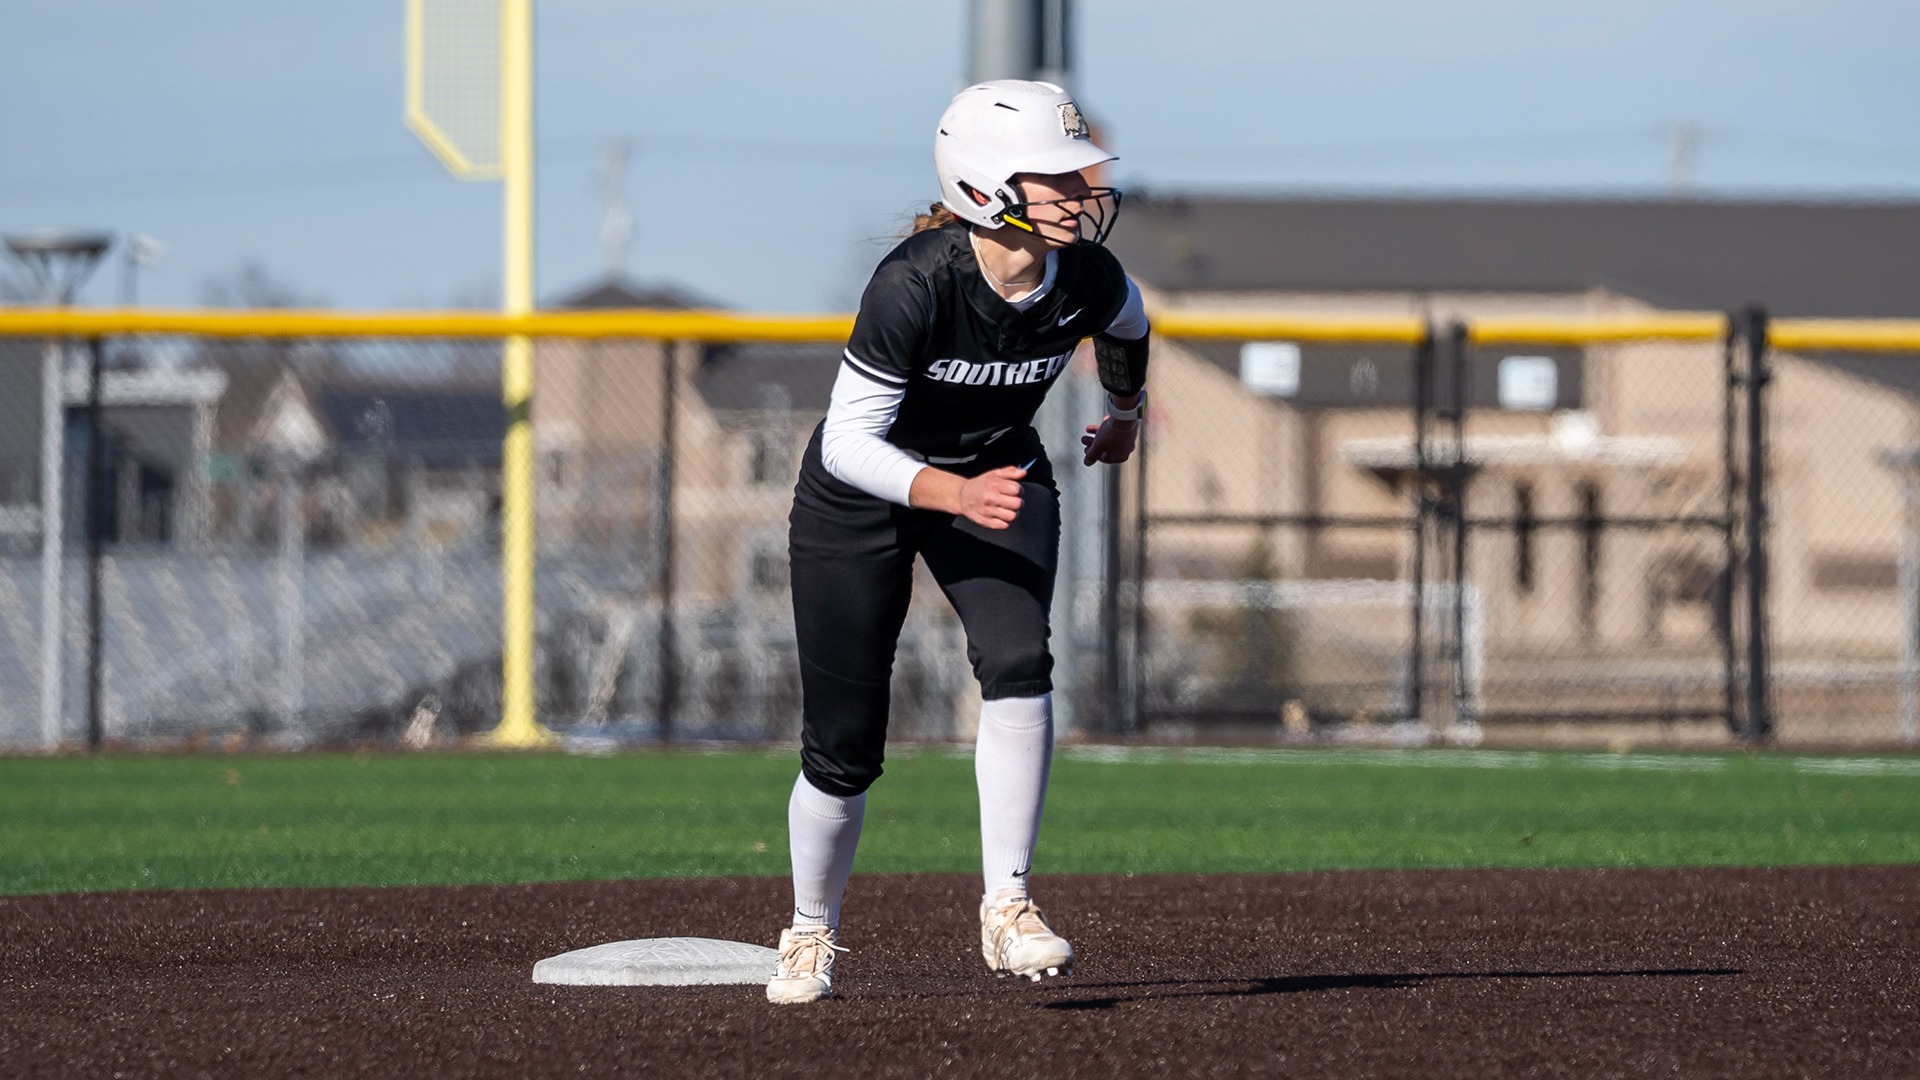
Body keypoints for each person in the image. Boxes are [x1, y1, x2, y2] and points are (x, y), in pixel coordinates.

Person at [767, 79, 1152, 1005]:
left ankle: (1008, 905)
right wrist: (950, 492)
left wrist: (1126, 412)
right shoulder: (917, 280)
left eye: (1077, 174)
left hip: (994, 472)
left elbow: (1130, 322)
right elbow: (852, 441)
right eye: (1054, 177)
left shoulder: (1085, 276)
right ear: (985, 185)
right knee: (845, 748)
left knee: (1020, 657)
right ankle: (809, 930)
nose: (1080, 191)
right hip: (864, 494)